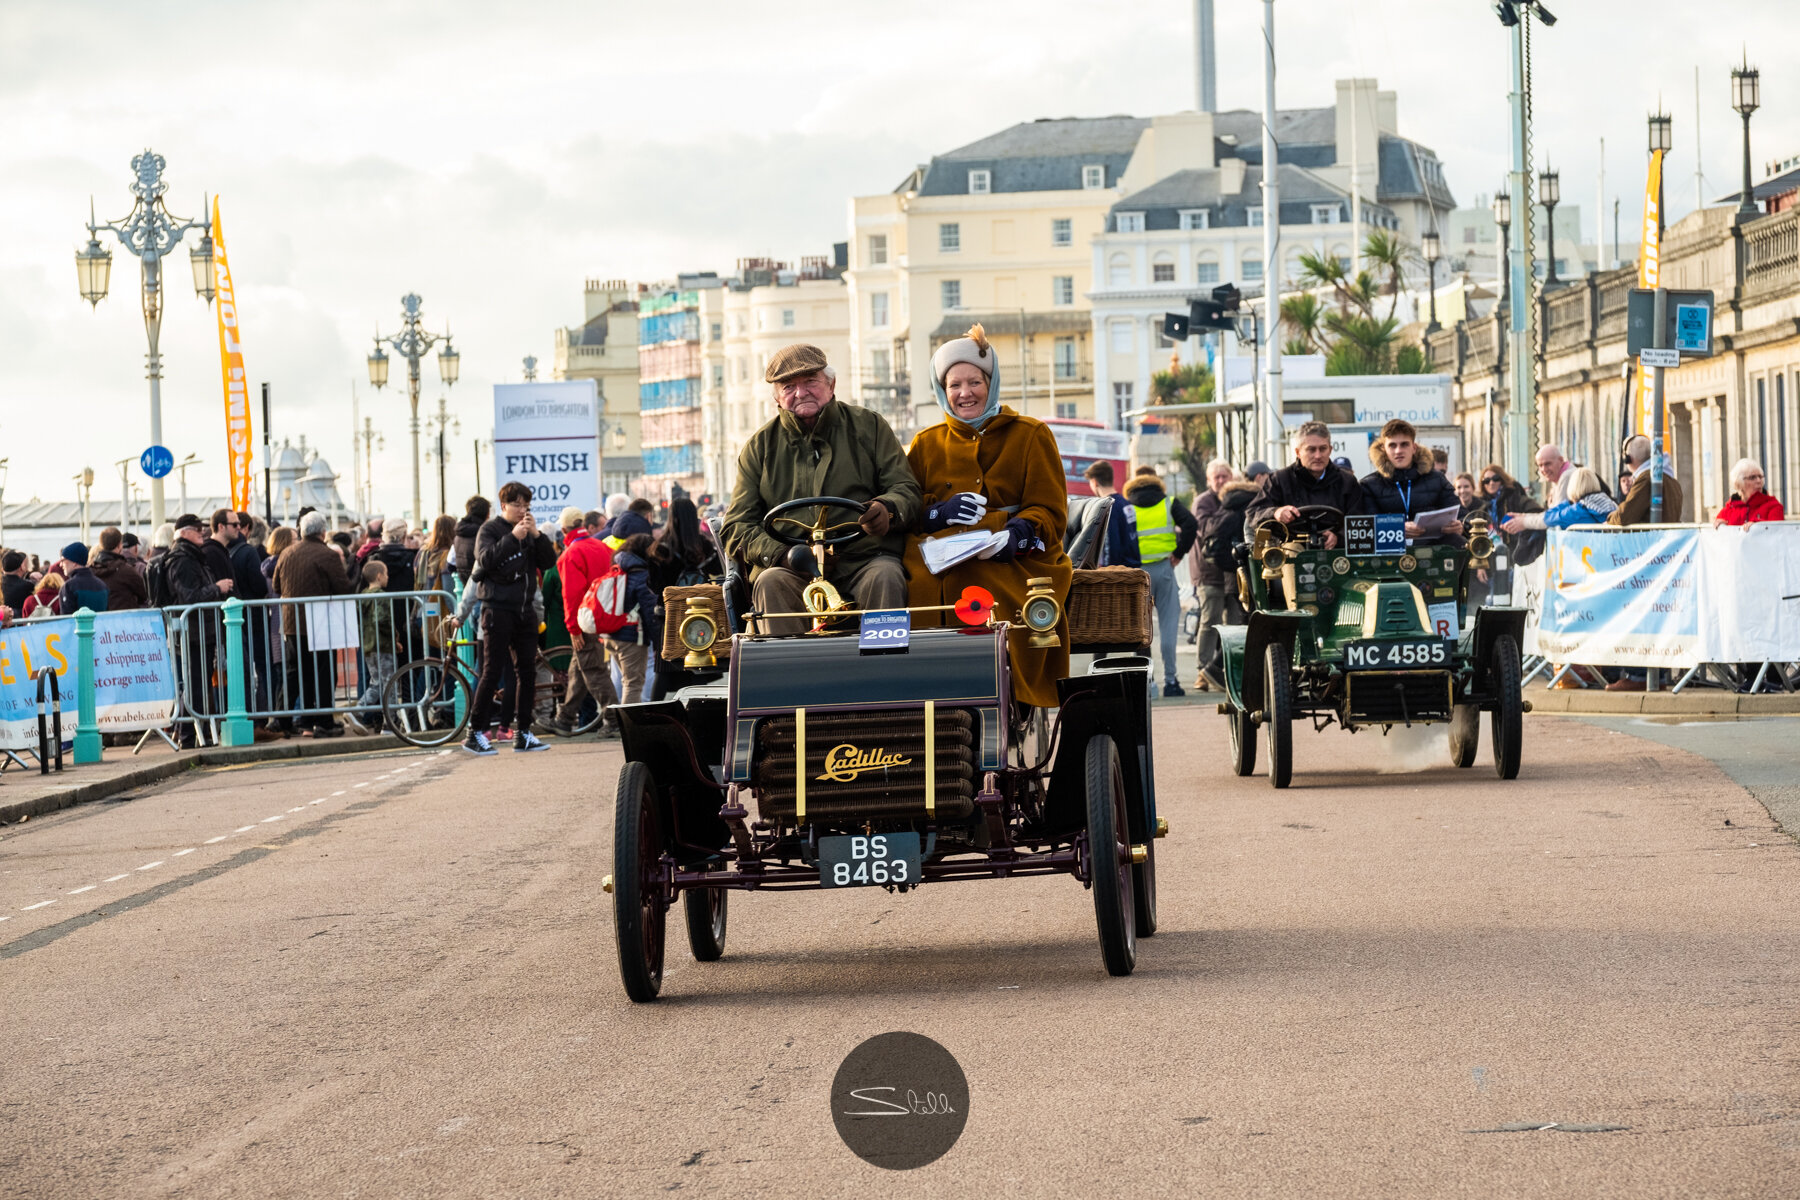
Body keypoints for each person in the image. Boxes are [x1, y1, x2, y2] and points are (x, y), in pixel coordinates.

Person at [903, 323, 1072, 709]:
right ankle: (920, 685)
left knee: (976, 577)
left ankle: (1006, 687)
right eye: (954, 385)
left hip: (1015, 560)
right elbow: (910, 508)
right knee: (902, 578)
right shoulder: (926, 443)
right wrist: (936, 513)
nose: (965, 394)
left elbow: (1049, 509)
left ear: (991, 383)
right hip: (939, 555)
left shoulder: (1031, 434)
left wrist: (1019, 531)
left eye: (975, 382)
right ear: (941, 391)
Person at [720, 343, 921, 637]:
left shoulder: (870, 427)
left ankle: (885, 671)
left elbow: (906, 489)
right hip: (792, 571)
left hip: (863, 562)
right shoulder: (759, 448)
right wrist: (782, 555)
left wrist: (887, 509)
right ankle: (790, 678)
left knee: (887, 576)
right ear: (777, 398)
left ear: (831, 384)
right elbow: (736, 526)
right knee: (770, 582)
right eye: (789, 387)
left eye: (810, 382)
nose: (801, 393)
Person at [464, 481, 558, 755]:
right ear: (503, 505)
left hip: (524, 610)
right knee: (491, 672)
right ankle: (474, 733)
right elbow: (485, 559)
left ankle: (524, 733)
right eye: (517, 504)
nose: (522, 510)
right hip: (497, 609)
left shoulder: (529, 530)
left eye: (526, 505)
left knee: (527, 672)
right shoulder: (490, 529)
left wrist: (537, 534)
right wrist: (513, 538)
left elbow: (548, 562)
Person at [272, 511, 351, 738]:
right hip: (320, 622)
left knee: (299, 672)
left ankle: (304, 721)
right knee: (324, 673)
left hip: (291, 623)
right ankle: (323, 722)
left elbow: (277, 586)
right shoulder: (327, 555)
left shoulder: (287, 552)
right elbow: (342, 588)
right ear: (323, 532)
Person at [1123, 466, 1198, 697]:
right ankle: (1172, 681)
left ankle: (1148, 684)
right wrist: (1179, 552)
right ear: (1157, 483)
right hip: (1164, 569)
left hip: (1136, 574)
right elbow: (1191, 525)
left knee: (1141, 630)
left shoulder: (1127, 506)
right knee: (1168, 625)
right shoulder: (1168, 502)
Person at [546, 508, 620, 737]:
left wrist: (573, 629)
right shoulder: (604, 547)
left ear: (564, 530)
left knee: (593, 670)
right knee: (581, 668)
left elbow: (573, 595)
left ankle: (614, 720)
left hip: (586, 619)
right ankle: (564, 718)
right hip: (605, 616)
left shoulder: (570, 554)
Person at [1245, 421, 1369, 547]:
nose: (1318, 455)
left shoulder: (1347, 482)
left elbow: (1359, 521)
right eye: (1311, 449)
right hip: (1290, 553)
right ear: (1298, 452)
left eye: (1323, 449)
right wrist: (1276, 512)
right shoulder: (1280, 480)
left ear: (1330, 450)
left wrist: (1339, 537)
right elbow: (1253, 512)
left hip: (1337, 554)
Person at [1192, 471, 1257, 690]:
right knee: (1240, 626)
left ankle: (1217, 671)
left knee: (1234, 626)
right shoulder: (1247, 506)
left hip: (1231, 575)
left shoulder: (1228, 505)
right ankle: (1214, 669)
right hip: (1243, 577)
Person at [1360, 418, 1463, 545]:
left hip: (1433, 551)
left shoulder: (1437, 479)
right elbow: (1366, 526)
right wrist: (1397, 528)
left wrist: (1461, 525)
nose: (1398, 451)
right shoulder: (1369, 485)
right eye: (1392, 445)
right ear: (1384, 449)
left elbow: (1461, 513)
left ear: (1414, 448)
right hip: (1389, 553)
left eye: (1404, 444)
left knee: (1461, 543)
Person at [604, 531, 665, 706]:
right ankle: (629, 728)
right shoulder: (641, 575)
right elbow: (649, 611)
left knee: (622, 679)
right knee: (633, 683)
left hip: (612, 633)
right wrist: (658, 642)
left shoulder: (619, 566)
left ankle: (616, 721)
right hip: (631, 636)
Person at [345, 560, 397, 737]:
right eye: (387, 574)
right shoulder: (381, 596)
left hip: (368, 645)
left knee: (377, 682)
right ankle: (389, 723)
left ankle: (358, 711)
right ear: (379, 576)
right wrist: (394, 636)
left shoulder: (363, 595)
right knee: (390, 683)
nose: (388, 577)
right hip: (382, 645)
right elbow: (381, 620)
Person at [1498, 444, 1576, 537]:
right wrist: (1523, 518)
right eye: (1540, 465)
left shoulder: (1566, 477)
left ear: (1561, 460)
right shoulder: (1558, 477)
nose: (1544, 469)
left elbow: (1554, 518)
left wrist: (1524, 522)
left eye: (1548, 464)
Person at [1608, 435, 1685, 527]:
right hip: (1667, 538)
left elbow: (1624, 517)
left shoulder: (1645, 479)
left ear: (1628, 459)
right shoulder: (1673, 481)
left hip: (1651, 539)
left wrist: (1610, 517)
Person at [1064, 460, 1119, 552]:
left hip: (1116, 566)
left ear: (1094, 482)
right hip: (1132, 565)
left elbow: (1109, 546)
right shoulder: (1125, 503)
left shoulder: (1107, 507)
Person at [89, 527, 148, 611]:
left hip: (97, 621)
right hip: (124, 620)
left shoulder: (90, 571)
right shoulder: (126, 570)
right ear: (120, 545)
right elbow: (144, 593)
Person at [1714, 458, 1784, 526]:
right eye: (1752, 478)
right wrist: (1720, 527)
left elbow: (1776, 532)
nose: (1758, 481)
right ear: (1739, 483)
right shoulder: (1728, 510)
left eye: (1760, 477)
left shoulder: (1774, 506)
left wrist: (1757, 526)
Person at [1543, 466, 1619, 527]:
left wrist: (1569, 502)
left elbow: (1548, 518)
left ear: (1573, 487)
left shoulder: (1576, 510)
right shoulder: (1611, 504)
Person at [55, 543, 111, 614]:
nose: (60, 564)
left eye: (63, 560)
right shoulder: (102, 585)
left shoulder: (69, 587)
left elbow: (67, 620)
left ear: (74, 562)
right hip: (99, 624)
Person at [453, 497, 490, 585]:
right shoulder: (483, 532)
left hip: (465, 583)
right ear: (486, 514)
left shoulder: (459, 533)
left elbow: (451, 561)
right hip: (482, 584)